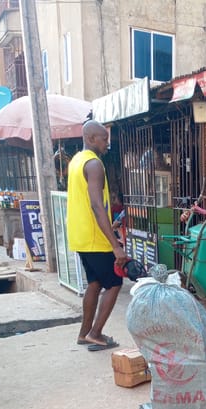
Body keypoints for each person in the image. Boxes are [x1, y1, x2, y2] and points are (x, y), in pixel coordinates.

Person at [67, 120, 128, 351]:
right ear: (91, 138)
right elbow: (96, 206)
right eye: (104, 139)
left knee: (95, 283)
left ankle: (84, 334)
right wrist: (115, 245)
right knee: (114, 283)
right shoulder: (94, 165)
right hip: (95, 237)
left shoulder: (76, 161)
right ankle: (96, 333)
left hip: (80, 236)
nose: (107, 144)